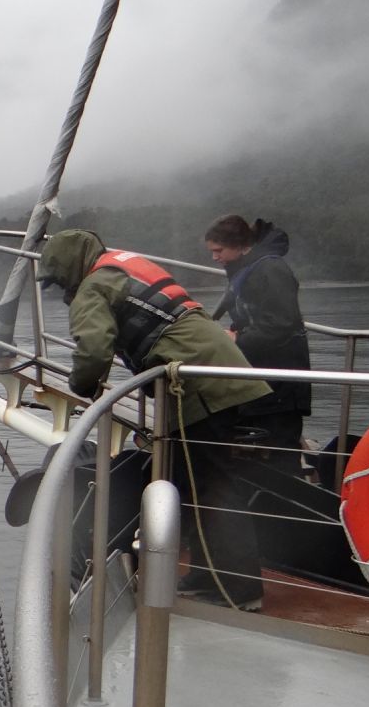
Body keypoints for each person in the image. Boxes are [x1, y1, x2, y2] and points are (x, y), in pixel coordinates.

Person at [38, 228, 273, 610]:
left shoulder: (92, 288)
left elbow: (93, 352)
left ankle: (237, 591)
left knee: (210, 490)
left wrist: (82, 386)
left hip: (199, 387)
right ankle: (207, 575)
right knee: (193, 486)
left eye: (56, 280)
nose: (57, 288)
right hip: (222, 373)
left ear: (67, 266)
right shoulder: (120, 267)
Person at [204, 214, 311, 472]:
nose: (214, 258)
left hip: (282, 380)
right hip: (261, 377)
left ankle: (287, 501)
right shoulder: (247, 268)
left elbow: (282, 323)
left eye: (219, 251)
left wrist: (238, 339)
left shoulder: (271, 269)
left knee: (281, 450)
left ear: (239, 245)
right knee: (257, 440)